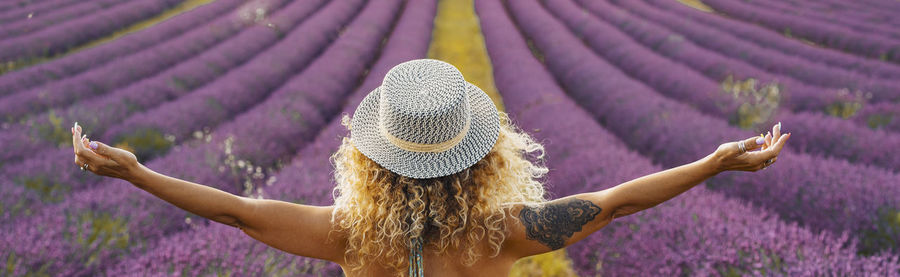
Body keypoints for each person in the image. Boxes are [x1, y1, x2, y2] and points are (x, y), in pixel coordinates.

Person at [71, 59, 790, 276]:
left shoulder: (348, 235)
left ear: (371, 158)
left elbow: (232, 209)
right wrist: (715, 161)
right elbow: (616, 201)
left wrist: (137, 172)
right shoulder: (503, 234)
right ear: (480, 159)